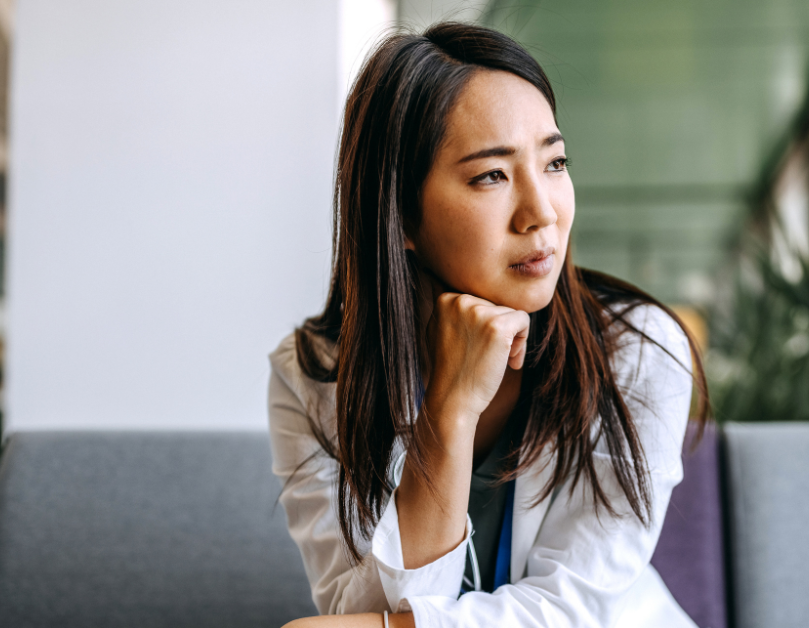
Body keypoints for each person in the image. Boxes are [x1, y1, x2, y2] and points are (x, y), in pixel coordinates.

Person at [268, 21, 709, 628]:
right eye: (491, 175)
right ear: (400, 216)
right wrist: (447, 416)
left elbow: (573, 608)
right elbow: (355, 608)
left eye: (555, 163)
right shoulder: (313, 376)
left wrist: (409, 626)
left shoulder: (639, 349)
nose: (542, 213)